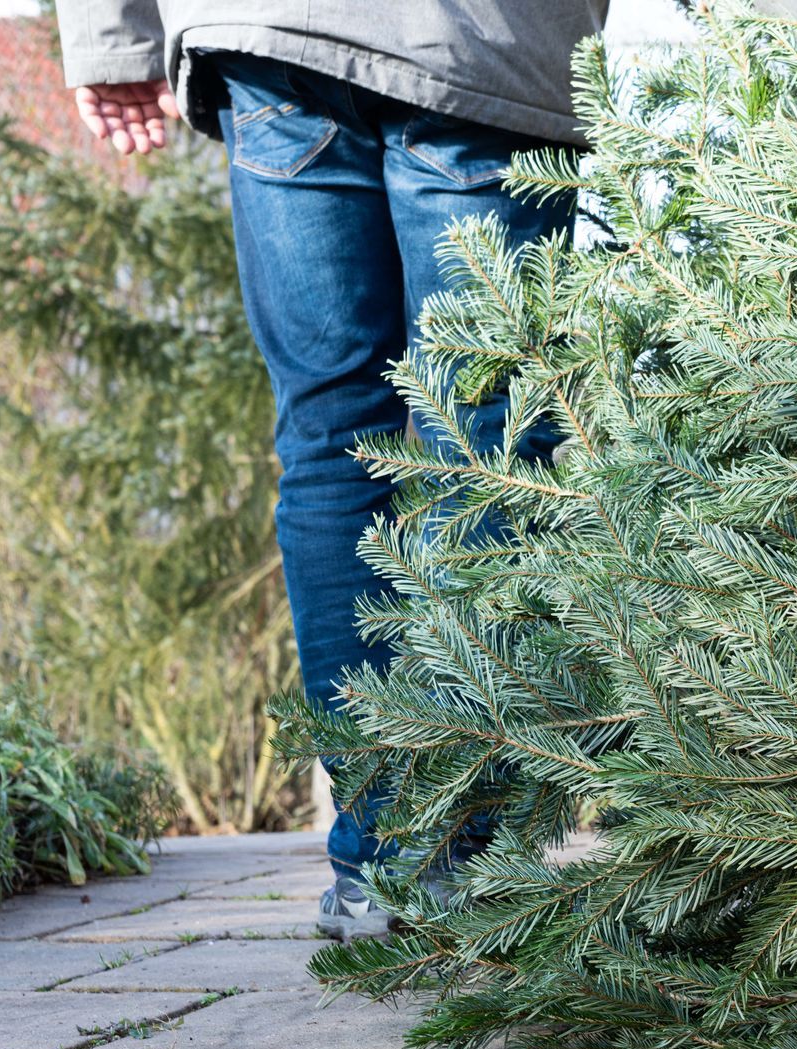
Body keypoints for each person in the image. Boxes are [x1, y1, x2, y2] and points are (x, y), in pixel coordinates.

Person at [58, 1, 607, 940]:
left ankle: (379, 862)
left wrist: (111, 38)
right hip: (482, 43)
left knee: (330, 440)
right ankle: (451, 858)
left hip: (277, 37)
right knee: (486, 442)